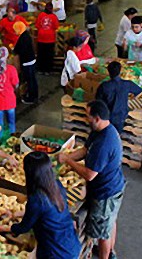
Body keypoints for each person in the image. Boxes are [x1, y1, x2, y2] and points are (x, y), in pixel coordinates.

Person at [59, 101, 126, 259]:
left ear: (96, 118)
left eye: (88, 116)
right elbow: (84, 150)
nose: (86, 118)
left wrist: (68, 162)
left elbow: (90, 174)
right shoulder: (101, 130)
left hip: (105, 192)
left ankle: (106, 255)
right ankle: (111, 252)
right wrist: (66, 157)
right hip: (113, 185)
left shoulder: (104, 143)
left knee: (103, 233)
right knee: (110, 222)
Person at [0, 152, 81, 259]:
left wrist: (4, 228)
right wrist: (15, 214)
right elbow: (45, 212)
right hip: (71, 244)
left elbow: (24, 227)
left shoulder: (37, 199)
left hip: (56, 252)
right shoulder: (56, 185)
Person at [96, 61, 142, 135]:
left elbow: (98, 101)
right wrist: (129, 98)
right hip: (121, 115)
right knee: (117, 134)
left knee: (107, 134)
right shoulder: (127, 84)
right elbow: (139, 90)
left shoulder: (104, 86)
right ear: (120, 71)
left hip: (108, 115)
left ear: (108, 72)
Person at [14, 21, 37, 104]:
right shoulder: (26, 34)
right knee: (33, 80)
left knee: (30, 80)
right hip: (32, 60)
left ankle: (31, 98)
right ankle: (34, 95)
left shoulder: (23, 38)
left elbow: (21, 51)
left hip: (27, 62)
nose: (15, 31)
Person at [35, 4, 60, 73]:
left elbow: (37, 25)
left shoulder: (40, 15)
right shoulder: (54, 17)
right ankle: (48, 70)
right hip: (50, 39)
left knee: (41, 54)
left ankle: (40, 69)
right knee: (49, 55)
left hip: (41, 38)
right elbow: (56, 27)